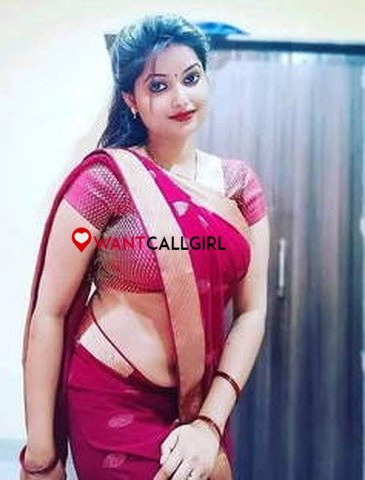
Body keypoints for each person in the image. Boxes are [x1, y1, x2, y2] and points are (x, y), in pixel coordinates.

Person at [19, 13, 270, 480]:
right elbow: (50, 312)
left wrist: (209, 423)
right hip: (110, 396)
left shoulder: (239, 186)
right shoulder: (105, 184)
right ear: (131, 100)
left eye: (191, 78)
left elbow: (252, 311)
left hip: (200, 402)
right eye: (158, 86)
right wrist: (40, 452)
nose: (181, 97)